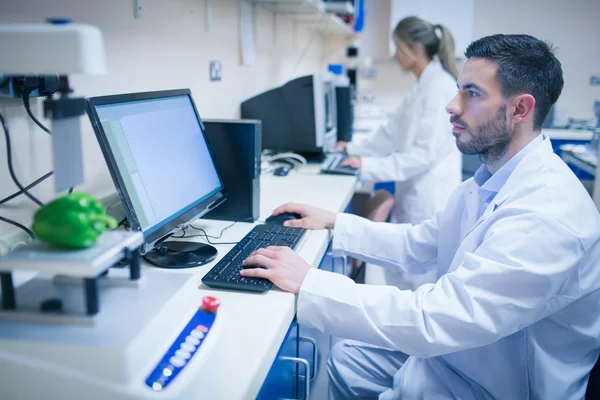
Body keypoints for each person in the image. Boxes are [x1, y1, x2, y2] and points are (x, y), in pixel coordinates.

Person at [240, 34, 600, 399]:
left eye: (471, 93)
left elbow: (435, 319)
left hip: (496, 386)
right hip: (468, 356)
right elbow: (422, 241)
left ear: (520, 110)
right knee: (348, 358)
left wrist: (311, 283)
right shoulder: (492, 179)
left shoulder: (548, 216)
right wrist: (336, 221)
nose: (452, 105)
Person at [337, 16, 462, 288]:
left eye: (398, 48)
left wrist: (364, 165)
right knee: (405, 273)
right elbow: (390, 132)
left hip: (429, 197)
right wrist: (353, 149)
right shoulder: (422, 86)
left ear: (416, 48)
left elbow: (422, 156)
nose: (395, 56)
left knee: (419, 280)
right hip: (413, 193)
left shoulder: (439, 88)